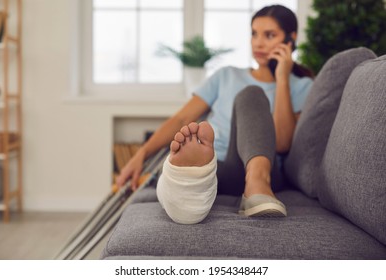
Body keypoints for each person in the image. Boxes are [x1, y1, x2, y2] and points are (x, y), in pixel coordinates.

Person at [116, 5, 314, 224]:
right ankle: (189, 181)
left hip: (266, 172)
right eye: (254, 34)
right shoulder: (226, 75)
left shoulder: (301, 86)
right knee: (200, 171)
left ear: (291, 39)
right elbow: (182, 119)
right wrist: (141, 154)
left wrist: (282, 79)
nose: (258, 43)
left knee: (251, 94)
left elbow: (283, 144)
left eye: (269, 35)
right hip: (218, 166)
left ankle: (257, 184)